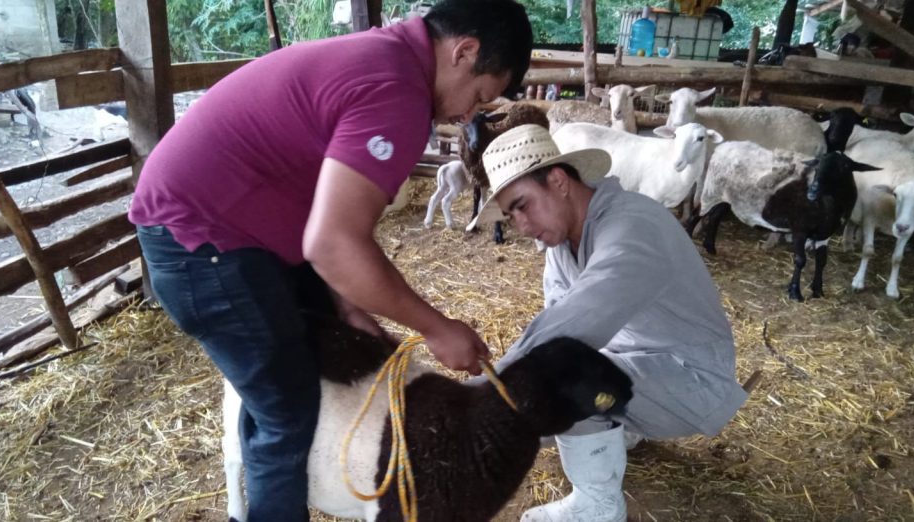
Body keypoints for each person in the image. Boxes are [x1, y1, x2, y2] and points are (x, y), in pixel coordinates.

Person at [128, 2, 533, 520]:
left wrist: (346, 300)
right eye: (478, 96)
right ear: (465, 51)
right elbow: (334, 244)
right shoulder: (398, 94)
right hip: (201, 241)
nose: (467, 116)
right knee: (285, 412)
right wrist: (437, 328)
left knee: (330, 347)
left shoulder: (386, 61)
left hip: (233, 227)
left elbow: (328, 216)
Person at [468, 124, 747, 522]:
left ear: (559, 181)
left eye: (523, 205)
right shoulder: (562, 241)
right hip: (637, 364)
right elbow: (555, 318)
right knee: (537, 403)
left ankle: (599, 506)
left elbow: (566, 335)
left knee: (561, 382)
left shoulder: (633, 225)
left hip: (691, 378)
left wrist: (479, 397)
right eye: (512, 217)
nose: (523, 227)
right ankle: (615, 420)